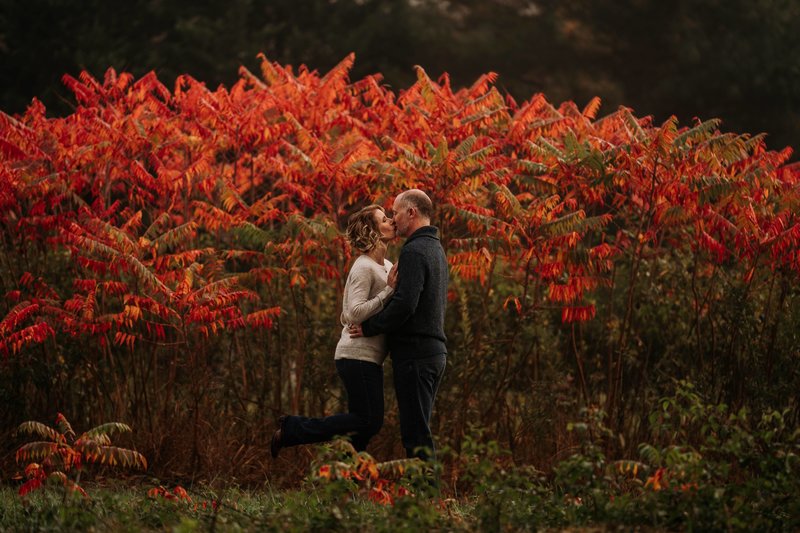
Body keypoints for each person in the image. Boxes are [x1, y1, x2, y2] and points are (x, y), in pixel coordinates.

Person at [270, 205, 397, 457]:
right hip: (356, 356)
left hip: (370, 357)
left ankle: (345, 479)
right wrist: (388, 291)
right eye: (384, 220)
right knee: (369, 421)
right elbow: (353, 313)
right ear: (371, 231)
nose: (392, 221)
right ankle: (292, 428)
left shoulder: (387, 265)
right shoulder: (363, 267)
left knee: (361, 427)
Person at [349, 189, 448, 461]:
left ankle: (425, 496)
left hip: (416, 354)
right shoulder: (436, 249)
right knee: (420, 428)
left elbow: (405, 304)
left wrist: (369, 327)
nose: (394, 219)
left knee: (415, 434)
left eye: (395, 212)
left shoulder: (415, 251)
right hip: (434, 351)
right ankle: (424, 495)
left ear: (411, 212)